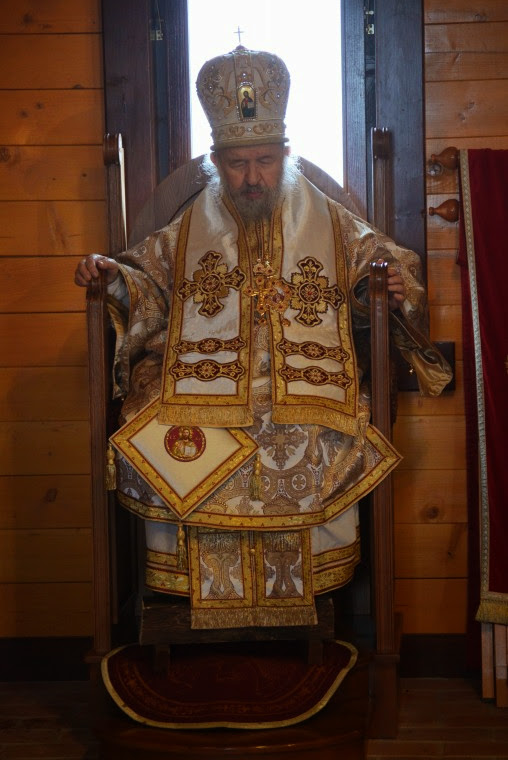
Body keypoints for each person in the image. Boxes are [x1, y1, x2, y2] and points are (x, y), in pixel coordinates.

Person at [75, 45, 452, 630]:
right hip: (199, 386)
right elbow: (147, 282)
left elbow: (380, 265)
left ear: (285, 155)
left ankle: (308, 597)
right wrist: (113, 278)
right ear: (215, 162)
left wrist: (386, 285)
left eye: (265, 161)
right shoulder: (189, 227)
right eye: (237, 164)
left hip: (303, 387)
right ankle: (188, 598)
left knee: (315, 430)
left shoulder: (328, 219)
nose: (252, 178)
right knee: (155, 425)